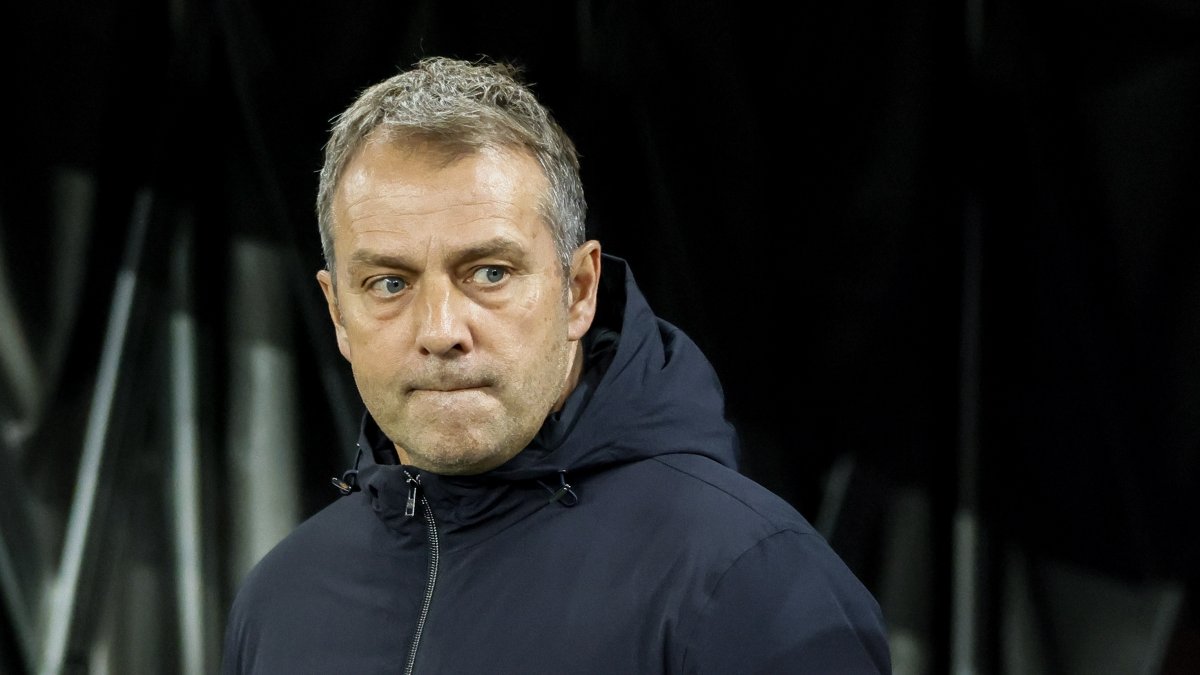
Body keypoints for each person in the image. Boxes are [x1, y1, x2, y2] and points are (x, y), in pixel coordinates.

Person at [221, 55, 892, 674]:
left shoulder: (752, 584)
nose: (441, 330)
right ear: (337, 311)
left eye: (488, 272)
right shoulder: (282, 601)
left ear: (578, 290)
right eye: (389, 284)